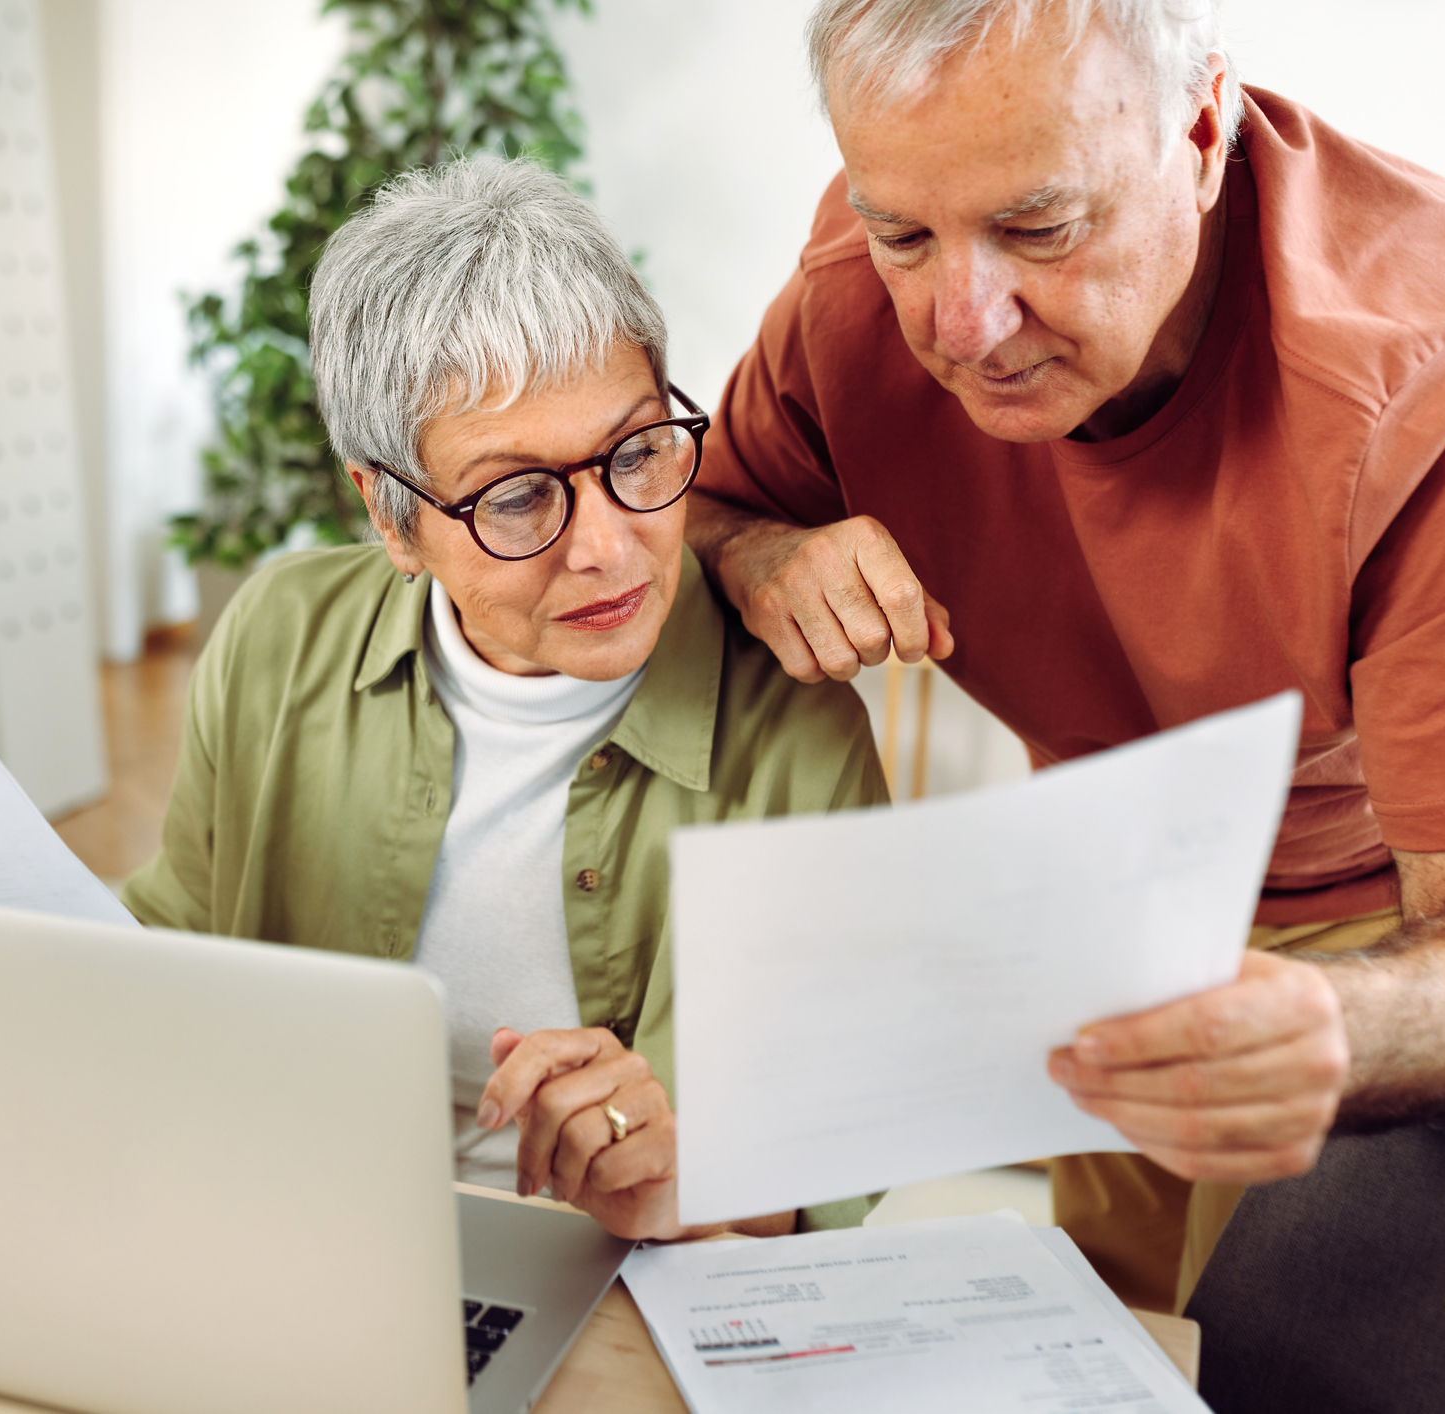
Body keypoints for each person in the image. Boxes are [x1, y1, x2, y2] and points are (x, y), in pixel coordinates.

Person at [687, 0, 1445, 1311]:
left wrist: (1345, 1028)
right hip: (1096, 894)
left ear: (1198, 133)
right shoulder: (852, 292)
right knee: (1102, 1341)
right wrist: (756, 553)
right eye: (903, 231)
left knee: (1280, 1351)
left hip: (1383, 932)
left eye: (1040, 228)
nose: (962, 322)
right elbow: (696, 506)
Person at [123, 158, 887, 1241]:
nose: (608, 548)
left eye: (635, 451)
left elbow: (800, 1174)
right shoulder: (278, 636)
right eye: (518, 495)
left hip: (622, 1282)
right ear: (389, 516)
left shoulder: (792, 726)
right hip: (291, 1234)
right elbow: (175, 937)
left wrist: (680, 1181)